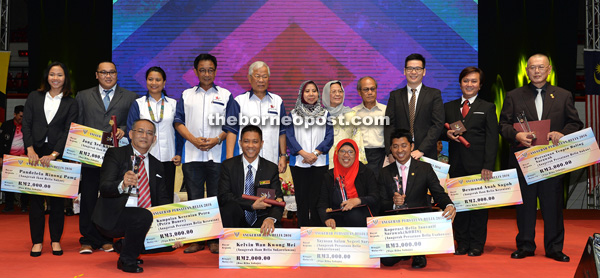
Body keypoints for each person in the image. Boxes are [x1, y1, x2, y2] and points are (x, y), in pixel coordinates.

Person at [499, 54, 583, 262]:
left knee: (552, 206)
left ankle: (554, 248)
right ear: (526, 71)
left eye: (541, 67)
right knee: (525, 206)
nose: (536, 71)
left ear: (549, 69)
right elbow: (503, 126)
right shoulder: (513, 95)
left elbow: (575, 123)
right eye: (532, 68)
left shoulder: (563, 95)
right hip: (524, 160)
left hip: (551, 161)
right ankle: (525, 245)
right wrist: (516, 135)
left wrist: (562, 133)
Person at [92, 119, 181, 273]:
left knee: (169, 243)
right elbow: (105, 187)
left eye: (149, 133)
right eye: (140, 131)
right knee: (143, 216)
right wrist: (123, 184)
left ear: (154, 139)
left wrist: (172, 229)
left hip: (142, 218)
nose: (144, 135)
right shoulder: (116, 154)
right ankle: (127, 260)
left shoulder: (158, 165)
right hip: (114, 216)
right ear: (131, 134)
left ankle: (124, 246)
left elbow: (163, 200)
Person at [76, 61, 138, 254]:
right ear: (96, 75)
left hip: (115, 158)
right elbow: (76, 124)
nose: (108, 76)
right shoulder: (83, 96)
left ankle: (106, 238)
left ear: (117, 74)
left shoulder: (130, 97)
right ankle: (87, 238)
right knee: (88, 199)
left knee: (111, 198)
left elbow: (134, 124)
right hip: (90, 156)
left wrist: (124, 130)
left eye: (112, 72)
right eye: (103, 72)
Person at [174, 54, 231, 254]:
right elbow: (178, 121)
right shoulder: (186, 95)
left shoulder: (225, 95)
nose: (206, 74)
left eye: (210, 70)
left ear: (215, 71)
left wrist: (217, 140)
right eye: (202, 70)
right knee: (195, 197)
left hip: (217, 155)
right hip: (192, 154)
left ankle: (214, 239)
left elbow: (231, 124)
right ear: (196, 71)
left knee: (216, 198)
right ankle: (197, 240)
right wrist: (193, 139)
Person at [21, 62, 78, 257]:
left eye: (60, 75)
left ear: (65, 78)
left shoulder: (71, 102)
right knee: (35, 201)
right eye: (52, 74)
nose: (55, 78)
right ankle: (37, 242)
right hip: (34, 154)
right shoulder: (34, 97)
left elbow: (68, 130)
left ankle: (55, 241)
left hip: (57, 155)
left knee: (57, 202)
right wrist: (29, 148)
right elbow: (26, 124)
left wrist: (54, 154)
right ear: (47, 77)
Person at [378, 129, 456, 269]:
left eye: (404, 145)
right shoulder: (384, 172)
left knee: (418, 264)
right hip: (396, 225)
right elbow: (380, 203)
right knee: (387, 262)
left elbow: (438, 193)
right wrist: (393, 203)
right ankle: (405, 250)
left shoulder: (425, 168)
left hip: (419, 224)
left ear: (411, 146)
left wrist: (449, 205)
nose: (399, 150)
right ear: (390, 148)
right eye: (395, 146)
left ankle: (419, 252)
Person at [443, 67, 498, 256]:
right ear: (460, 83)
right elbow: (441, 131)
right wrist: (447, 134)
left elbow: (492, 139)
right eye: (466, 81)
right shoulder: (448, 107)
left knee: (478, 207)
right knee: (459, 205)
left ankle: (476, 244)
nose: (469, 84)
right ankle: (462, 242)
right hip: (457, 165)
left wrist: (488, 166)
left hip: (479, 166)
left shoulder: (487, 107)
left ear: (480, 85)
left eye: (474, 81)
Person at [127, 67, 182, 203]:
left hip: (169, 157)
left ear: (164, 83)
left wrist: (179, 152)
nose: (154, 83)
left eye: (158, 80)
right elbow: (131, 130)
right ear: (146, 81)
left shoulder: (173, 104)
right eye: (150, 79)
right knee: (147, 195)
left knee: (166, 195)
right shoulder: (138, 104)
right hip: (144, 158)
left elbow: (179, 132)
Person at [218, 125, 283, 238]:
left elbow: (279, 200)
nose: (250, 146)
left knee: (275, 226)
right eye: (246, 141)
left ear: (261, 144)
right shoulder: (228, 166)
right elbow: (223, 196)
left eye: (255, 142)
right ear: (240, 143)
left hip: (261, 218)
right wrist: (251, 205)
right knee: (228, 209)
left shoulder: (271, 168)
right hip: (236, 217)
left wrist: (270, 219)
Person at [223, 61, 287, 173]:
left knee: (267, 190)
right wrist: (229, 159)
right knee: (245, 190)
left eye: (264, 76)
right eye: (257, 76)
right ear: (249, 78)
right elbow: (232, 131)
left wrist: (283, 156)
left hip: (270, 160)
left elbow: (282, 131)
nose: (261, 80)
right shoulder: (239, 101)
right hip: (244, 161)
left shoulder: (277, 101)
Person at [286, 80, 333, 227]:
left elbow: (329, 137)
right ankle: (303, 229)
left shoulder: (325, 114)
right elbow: (289, 136)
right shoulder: (292, 114)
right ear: (301, 94)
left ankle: (316, 232)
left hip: (319, 163)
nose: (311, 94)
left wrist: (315, 153)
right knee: (302, 200)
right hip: (299, 163)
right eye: (307, 91)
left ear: (318, 94)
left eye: (314, 91)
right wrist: (304, 154)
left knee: (318, 199)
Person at [384, 53, 444, 161]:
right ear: (404, 71)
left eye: (417, 69)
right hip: (399, 154)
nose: (413, 72)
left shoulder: (434, 94)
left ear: (424, 72)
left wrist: (421, 149)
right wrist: (390, 152)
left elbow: (437, 124)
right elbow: (389, 125)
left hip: (426, 154)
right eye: (410, 68)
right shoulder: (395, 95)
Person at [317, 139, 379, 229]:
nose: (346, 155)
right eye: (342, 151)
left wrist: (358, 201)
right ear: (337, 153)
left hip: (361, 218)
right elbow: (322, 204)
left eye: (350, 152)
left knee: (354, 215)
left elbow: (375, 197)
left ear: (356, 154)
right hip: (337, 219)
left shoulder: (366, 172)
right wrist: (327, 219)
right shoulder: (329, 176)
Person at [321, 80, 367, 168]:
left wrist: (358, 161)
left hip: (346, 162)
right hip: (322, 162)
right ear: (326, 94)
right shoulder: (320, 116)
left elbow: (357, 140)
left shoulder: (351, 115)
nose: (338, 94)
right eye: (333, 92)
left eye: (340, 91)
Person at [352, 76, 387, 177]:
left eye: (372, 89)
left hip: (381, 157)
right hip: (360, 156)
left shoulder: (386, 111)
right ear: (359, 92)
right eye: (366, 89)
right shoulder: (353, 113)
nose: (370, 92)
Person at [0, 105, 29, 213]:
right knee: (8, 183)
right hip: (9, 158)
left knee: (24, 183)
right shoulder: (6, 125)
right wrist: (1, 157)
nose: (22, 118)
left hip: (23, 158)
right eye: (20, 116)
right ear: (14, 114)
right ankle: (9, 206)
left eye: (24, 116)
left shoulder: (27, 126)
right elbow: (1, 142)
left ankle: (24, 206)